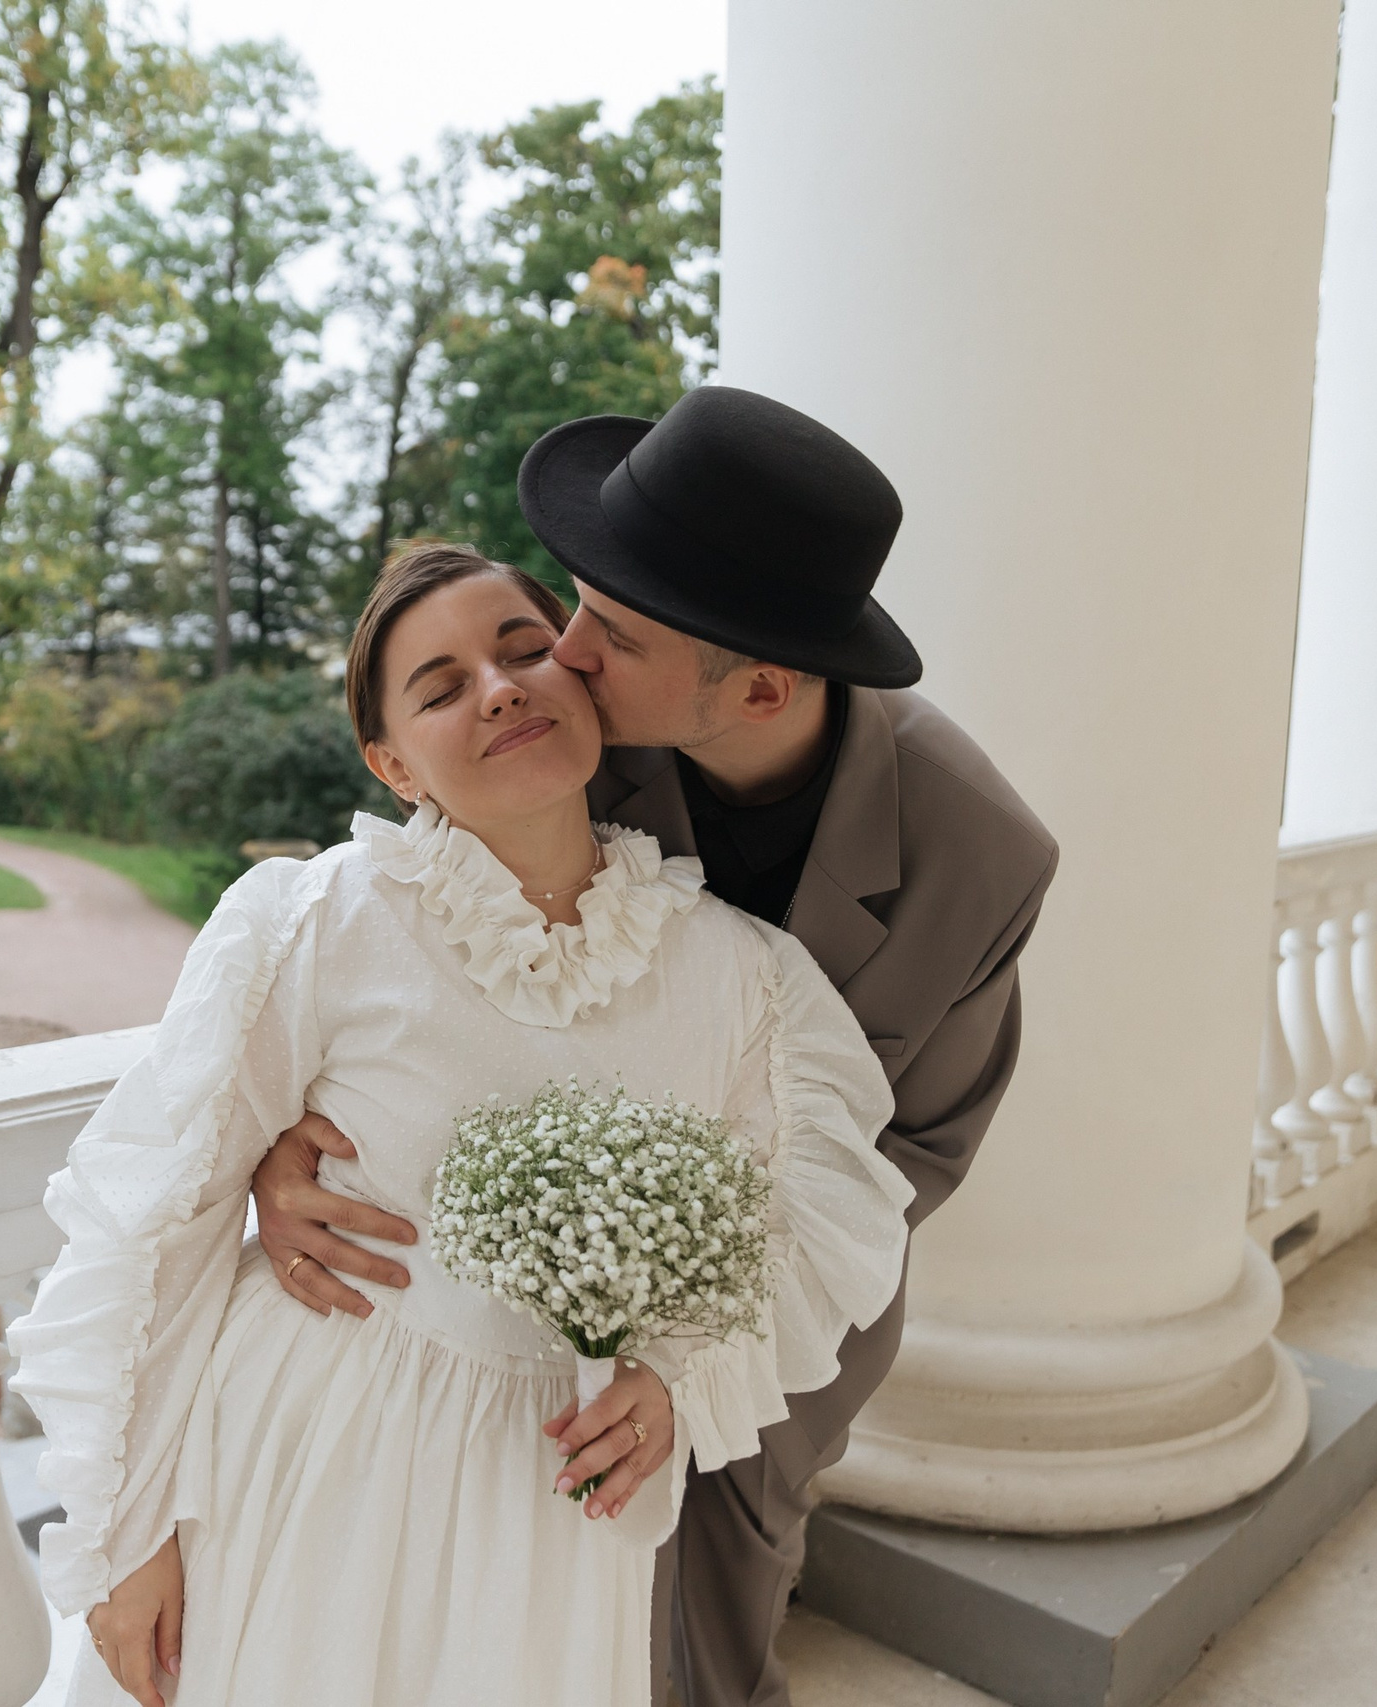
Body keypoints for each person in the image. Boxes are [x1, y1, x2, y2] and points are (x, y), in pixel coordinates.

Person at [251, 386, 1059, 1706]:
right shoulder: (561, 734)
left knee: (709, 1645)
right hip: (501, 1304)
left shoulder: (982, 851)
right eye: (577, 600)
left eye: (611, 630)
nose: (561, 653)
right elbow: (414, 949)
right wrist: (279, 1151)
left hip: (780, 1299)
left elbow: (914, 1144)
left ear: (761, 683)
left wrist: (687, 1345)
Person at [7, 543, 916, 1707]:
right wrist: (127, 1537)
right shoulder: (319, 920)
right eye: (439, 688)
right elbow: (160, 1217)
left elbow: (803, 1219)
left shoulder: (743, 978)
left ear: (583, 678)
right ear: (392, 763)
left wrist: (675, 1377)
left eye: (525, 649)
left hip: (548, 1498)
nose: (497, 687)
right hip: (313, 1447)